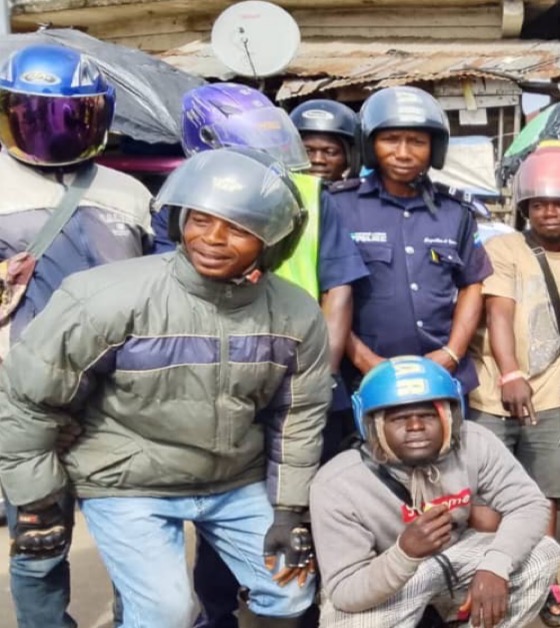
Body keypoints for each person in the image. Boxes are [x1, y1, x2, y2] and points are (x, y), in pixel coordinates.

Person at [0, 148, 330, 628]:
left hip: (232, 479)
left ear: (270, 239)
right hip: (126, 480)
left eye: (237, 228)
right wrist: (37, 502)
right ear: (178, 220)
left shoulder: (296, 314)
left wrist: (289, 510)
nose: (213, 240)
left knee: (290, 591)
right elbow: (30, 399)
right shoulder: (106, 297)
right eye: (199, 220)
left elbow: (299, 416)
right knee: (166, 613)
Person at [175, 84, 369, 628]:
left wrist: (322, 373)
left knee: (303, 508)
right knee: (219, 507)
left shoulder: (310, 195)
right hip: (221, 387)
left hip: (299, 385)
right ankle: (219, 611)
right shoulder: (185, 199)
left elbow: (339, 289)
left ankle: (302, 609)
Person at [0, 43, 154, 628]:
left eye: (70, 116)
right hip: (31, 399)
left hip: (126, 400)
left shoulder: (129, 194)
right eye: (33, 114)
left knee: (138, 538)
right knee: (40, 543)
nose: (51, 130)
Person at [310, 356, 560, 627]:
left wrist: (496, 566)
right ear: (373, 425)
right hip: (390, 576)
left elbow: (530, 504)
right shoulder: (336, 483)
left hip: (455, 557)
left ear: (450, 417)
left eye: (429, 415)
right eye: (399, 418)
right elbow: (345, 591)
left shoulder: (473, 442)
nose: (416, 426)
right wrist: (404, 553)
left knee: (544, 553)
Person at [467, 146, 560, 625]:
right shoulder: (505, 250)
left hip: (551, 400)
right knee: (485, 496)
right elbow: (498, 313)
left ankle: (544, 576)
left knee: (544, 496)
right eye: (538, 203)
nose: (549, 211)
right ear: (524, 207)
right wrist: (512, 373)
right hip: (494, 395)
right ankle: (488, 574)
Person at [328, 86, 492, 398]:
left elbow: (473, 283)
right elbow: (326, 294)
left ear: (435, 148)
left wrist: (453, 353)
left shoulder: (455, 211)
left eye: (417, 141)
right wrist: (365, 360)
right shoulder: (339, 206)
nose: (403, 152)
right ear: (370, 144)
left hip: (442, 376)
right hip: (360, 380)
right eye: (390, 140)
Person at [290, 99, 361, 182]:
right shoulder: (276, 193)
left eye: (330, 152)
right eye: (307, 151)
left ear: (350, 159)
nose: (317, 160)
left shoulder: (369, 194)